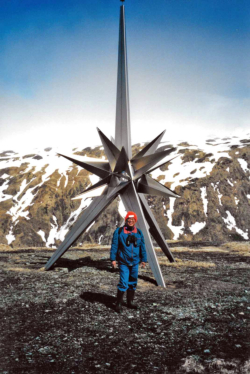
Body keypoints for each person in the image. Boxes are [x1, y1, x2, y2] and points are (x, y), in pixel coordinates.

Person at [110, 211, 147, 313]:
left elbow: (142, 246)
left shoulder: (139, 232)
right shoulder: (119, 231)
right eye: (128, 220)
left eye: (132, 220)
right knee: (123, 282)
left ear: (135, 221)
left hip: (135, 262)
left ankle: (130, 302)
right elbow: (114, 246)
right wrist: (113, 259)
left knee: (133, 282)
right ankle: (118, 304)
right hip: (123, 262)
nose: (130, 221)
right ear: (126, 220)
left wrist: (143, 259)